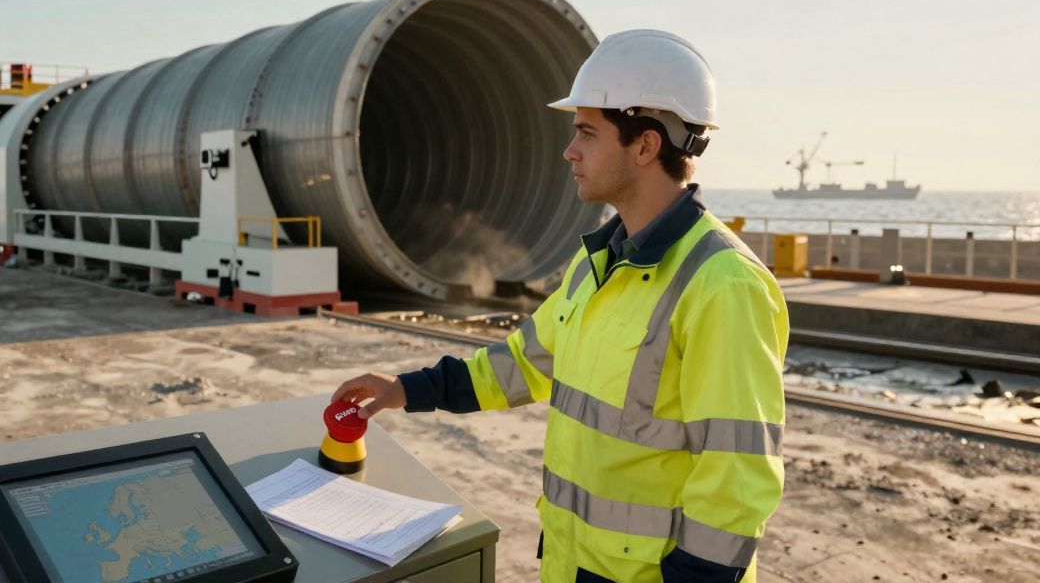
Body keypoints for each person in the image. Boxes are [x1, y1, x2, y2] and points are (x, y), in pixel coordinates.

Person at [333, 30, 788, 583]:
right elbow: (522, 363)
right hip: (572, 564)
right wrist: (406, 389)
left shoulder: (723, 284)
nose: (570, 151)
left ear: (645, 146)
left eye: (587, 133)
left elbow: (737, 479)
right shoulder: (598, 262)